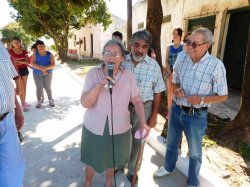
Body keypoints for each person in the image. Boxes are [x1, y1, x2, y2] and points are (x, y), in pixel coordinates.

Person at [153, 27, 228, 187]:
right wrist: (178, 89)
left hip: (196, 115)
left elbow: (223, 95)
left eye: (195, 44)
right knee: (172, 142)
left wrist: (201, 99)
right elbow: (176, 80)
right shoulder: (182, 57)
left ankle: (193, 182)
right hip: (177, 108)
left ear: (207, 45)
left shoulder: (216, 66)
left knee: (194, 152)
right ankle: (168, 167)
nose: (189, 47)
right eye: (188, 42)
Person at [80, 39, 150, 187]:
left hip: (119, 127)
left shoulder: (128, 76)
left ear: (122, 58)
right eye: (107, 53)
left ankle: (109, 182)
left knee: (111, 158)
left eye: (115, 53)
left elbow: (137, 100)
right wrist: (100, 85)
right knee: (92, 158)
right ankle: (87, 182)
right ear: (102, 57)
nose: (111, 57)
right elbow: (85, 103)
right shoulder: (93, 74)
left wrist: (143, 122)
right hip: (94, 126)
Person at [123, 30, 166, 183]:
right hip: (122, 106)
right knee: (121, 137)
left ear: (148, 48)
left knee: (138, 139)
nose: (139, 50)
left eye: (144, 46)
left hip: (144, 106)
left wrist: (154, 115)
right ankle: (120, 164)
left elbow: (158, 92)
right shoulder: (121, 62)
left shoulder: (154, 66)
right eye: (136, 45)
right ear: (130, 44)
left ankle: (134, 169)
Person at [0, 41, 25, 187]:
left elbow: (7, 80)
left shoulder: (0, 47)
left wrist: (17, 108)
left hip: (7, 119)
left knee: (14, 172)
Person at [161, 28, 183, 138]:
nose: (174, 35)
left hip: (179, 75)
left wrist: (176, 74)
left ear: (180, 35)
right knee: (170, 93)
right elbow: (166, 60)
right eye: (173, 33)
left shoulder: (183, 47)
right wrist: (169, 72)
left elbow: (184, 61)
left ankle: (177, 111)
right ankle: (169, 112)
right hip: (170, 74)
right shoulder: (169, 47)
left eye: (176, 34)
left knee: (177, 93)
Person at [31, 40, 56, 108]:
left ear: (44, 46)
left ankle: (50, 100)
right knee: (39, 87)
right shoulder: (35, 54)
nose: (41, 47)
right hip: (37, 73)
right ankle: (39, 101)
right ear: (37, 47)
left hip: (48, 73)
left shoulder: (49, 54)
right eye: (39, 46)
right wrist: (41, 69)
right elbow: (32, 63)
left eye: (42, 45)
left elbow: (53, 64)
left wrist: (45, 68)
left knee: (47, 87)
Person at [8, 36, 30, 112]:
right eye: (14, 42)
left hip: (24, 70)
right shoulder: (10, 51)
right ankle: (23, 103)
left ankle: (24, 101)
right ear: (12, 43)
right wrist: (20, 62)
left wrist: (18, 62)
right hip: (15, 70)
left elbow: (27, 62)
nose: (16, 44)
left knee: (24, 86)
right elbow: (9, 62)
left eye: (17, 42)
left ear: (20, 43)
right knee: (20, 86)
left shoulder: (24, 52)